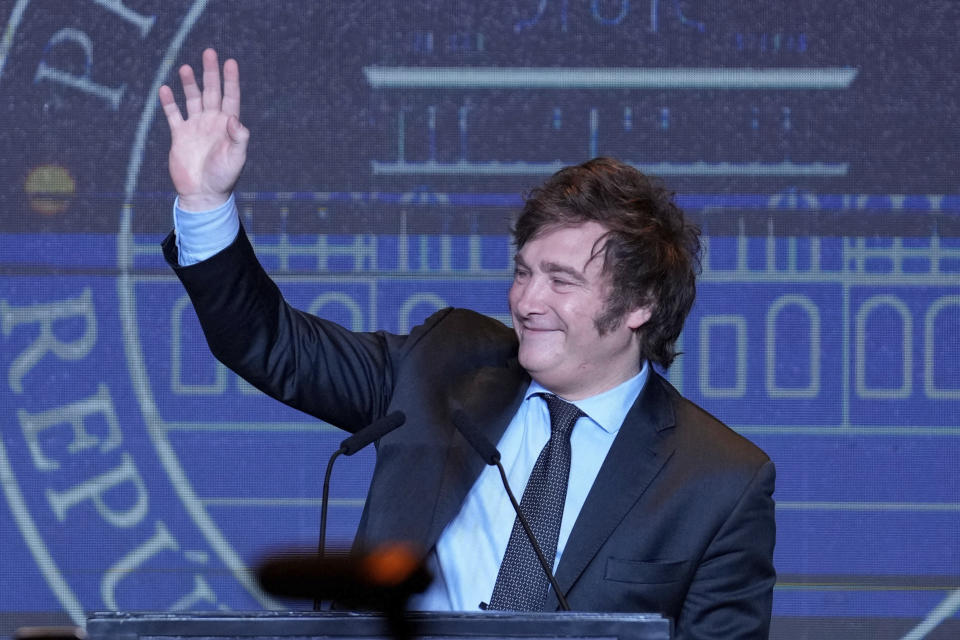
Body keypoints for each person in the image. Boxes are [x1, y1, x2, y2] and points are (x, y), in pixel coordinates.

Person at [160, 49, 776, 639]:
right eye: (523, 272)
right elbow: (271, 344)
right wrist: (205, 202)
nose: (526, 300)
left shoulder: (721, 480)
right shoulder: (441, 363)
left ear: (640, 303)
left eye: (561, 281)